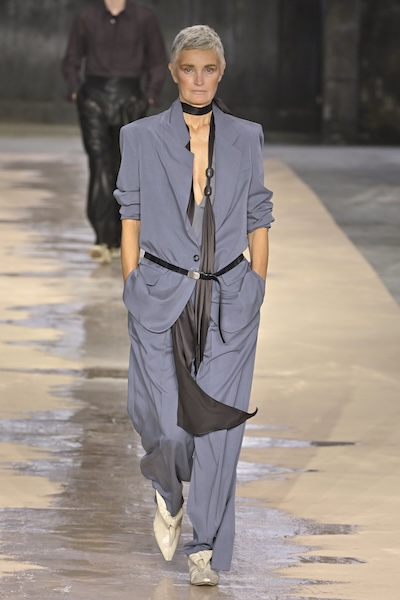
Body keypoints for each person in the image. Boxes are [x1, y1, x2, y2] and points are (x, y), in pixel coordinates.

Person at [114, 25, 274, 586]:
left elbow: (258, 213)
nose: (199, 80)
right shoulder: (139, 137)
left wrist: (256, 284)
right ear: (173, 72)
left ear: (221, 73)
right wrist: (132, 283)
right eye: (189, 69)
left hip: (230, 298)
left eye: (209, 69)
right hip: (159, 292)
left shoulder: (246, 137)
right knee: (165, 425)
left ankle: (203, 547)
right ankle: (167, 489)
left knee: (217, 430)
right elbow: (129, 214)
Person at [62, 0, 167, 264]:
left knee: (124, 167)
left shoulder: (144, 16)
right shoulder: (87, 17)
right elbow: (72, 58)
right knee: (99, 163)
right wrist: (75, 89)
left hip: (130, 97)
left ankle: (121, 238)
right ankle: (101, 237)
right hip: (93, 97)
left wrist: (150, 95)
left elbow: (158, 59)